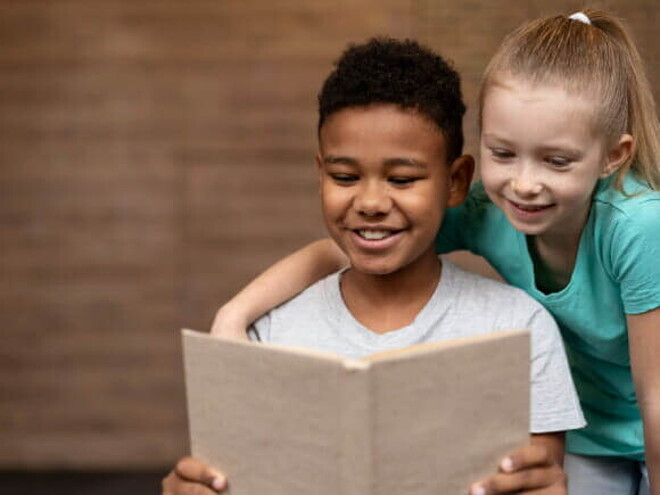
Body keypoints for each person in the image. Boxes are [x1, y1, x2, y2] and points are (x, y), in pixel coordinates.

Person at [211, 9, 660, 495]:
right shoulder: (488, 210)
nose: (524, 185)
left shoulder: (638, 227)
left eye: (556, 160)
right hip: (590, 434)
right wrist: (232, 317)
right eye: (503, 153)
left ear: (613, 155)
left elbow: (656, 395)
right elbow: (337, 251)